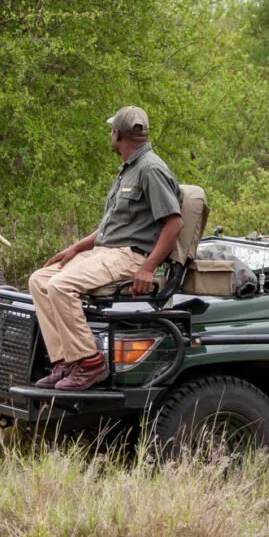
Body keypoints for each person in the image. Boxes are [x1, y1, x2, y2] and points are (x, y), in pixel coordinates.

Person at [29, 106, 183, 390]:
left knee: (61, 286)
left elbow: (173, 223)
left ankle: (90, 363)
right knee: (40, 279)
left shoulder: (151, 169)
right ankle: (66, 362)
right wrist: (75, 248)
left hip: (128, 257)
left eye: (111, 131)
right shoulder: (129, 169)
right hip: (106, 252)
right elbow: (111, 226)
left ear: (117, 134)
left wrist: (148, 268)